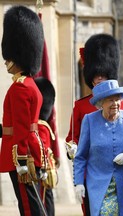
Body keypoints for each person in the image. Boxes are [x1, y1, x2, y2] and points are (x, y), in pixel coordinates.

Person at [65, 33, 123, 215]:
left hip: (117, 169)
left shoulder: (122, 104)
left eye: (102, 74)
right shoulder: (80, 105)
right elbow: (73, 137)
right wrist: (72, 148)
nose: (99, 78)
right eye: (95, 74)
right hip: (91, 171)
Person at [73, 80, 123, 216]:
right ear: (101, 103)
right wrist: (78, 183)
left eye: (117, 99)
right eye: (110, 100)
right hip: (98, 184)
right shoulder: (89, 120)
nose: (115, 104)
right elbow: (81, 156)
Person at [0, 5, 45, 216]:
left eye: (9, 58)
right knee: (31, 201)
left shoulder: (19, 88)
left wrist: (21, 158)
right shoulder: (30, 85)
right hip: (28, 148)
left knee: (28, 206)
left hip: (19, 153)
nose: (6, 62)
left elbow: (20, 126)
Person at [35, 77, 58, 216]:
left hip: (43, 167)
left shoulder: (41, 126)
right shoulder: (44, 125)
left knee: (44, 198)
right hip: (45, 164)